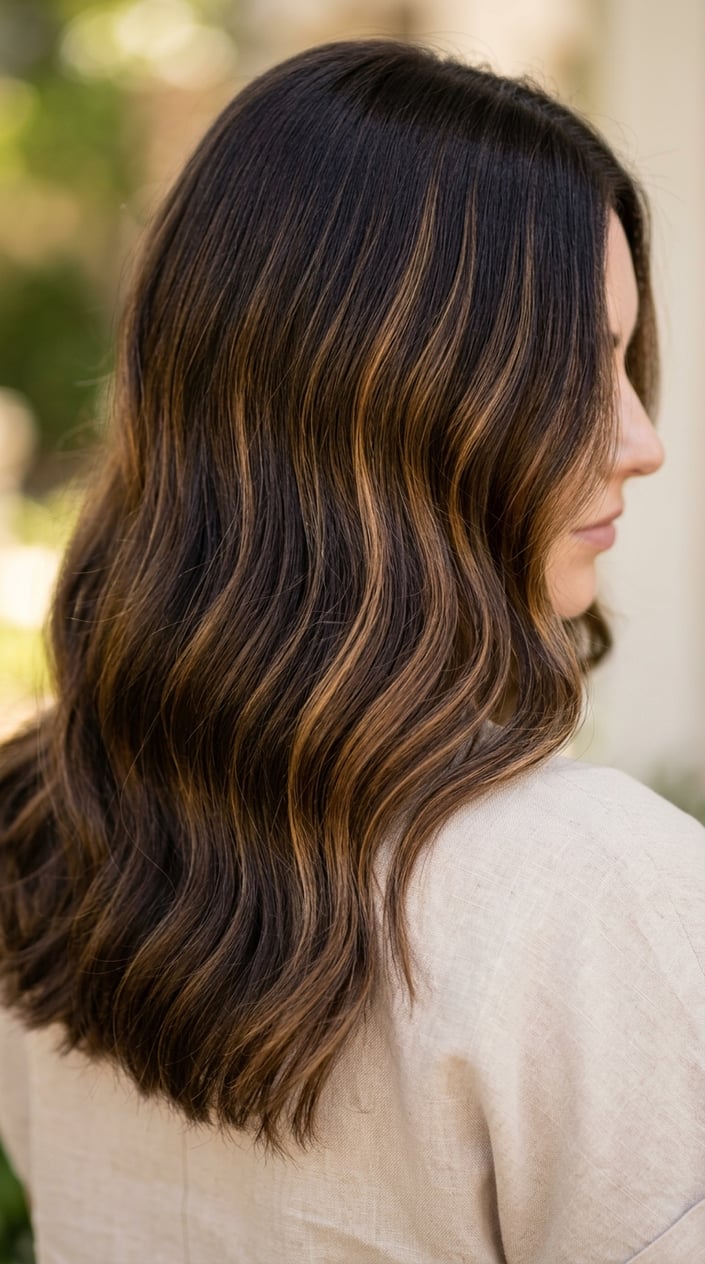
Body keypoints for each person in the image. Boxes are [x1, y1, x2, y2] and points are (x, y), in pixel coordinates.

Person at [0, 36, 703, 1264]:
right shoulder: (592, 889)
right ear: (391, 400)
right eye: (579, 368)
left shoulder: (46, 826)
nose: (641, 440)